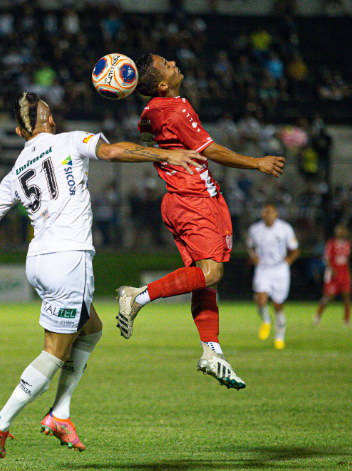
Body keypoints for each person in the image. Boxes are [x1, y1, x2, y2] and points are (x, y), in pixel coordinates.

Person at [0, 92, 205, 458]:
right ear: (50, 121)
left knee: (91, 329)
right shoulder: (70, 140)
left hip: (38, 262)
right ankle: (0, 422)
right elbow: (114, 152)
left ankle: (60, 414)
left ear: (20, 130)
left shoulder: (14, 170)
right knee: (54, 353)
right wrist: (166, 153)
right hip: (69, 259)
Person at [114, 53, 285, 390]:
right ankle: (137, 297)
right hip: (193, 200)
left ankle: (212, 352)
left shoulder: (149, 113)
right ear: (162, 84)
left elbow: (150, 140)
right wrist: (257, 163)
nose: (174, 63)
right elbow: (212, 150)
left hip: (184, 199)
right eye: (167, 65)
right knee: (211, 273)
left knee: (205, 282)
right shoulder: (175, 110)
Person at [247, 203, 300, 349]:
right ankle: (266, 320)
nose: (268, 215)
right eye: (266, 212)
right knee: (260, 299)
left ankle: (279, 336)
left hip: (280, 270)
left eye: (271, 212)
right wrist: (253, 257)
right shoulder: (255, 229)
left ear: (276, 214)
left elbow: (295, 250)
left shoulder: (285, 228)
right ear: (262, 214)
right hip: (263, 269)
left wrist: (288, 261)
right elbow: (250, 247)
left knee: (278, 305)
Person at [314, 224, 352, 326]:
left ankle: (347, 321)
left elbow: (347, 260)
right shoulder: (331, 243)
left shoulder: (348, 244)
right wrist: (332, 269)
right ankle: (318, 316)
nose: (342, 232)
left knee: (347, 297)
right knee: (329, 296)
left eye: (344, 230)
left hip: (344, 274)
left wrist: (349, 273)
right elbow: (326, 258)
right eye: (340, 230)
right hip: (333, 275)